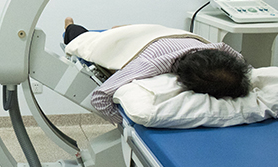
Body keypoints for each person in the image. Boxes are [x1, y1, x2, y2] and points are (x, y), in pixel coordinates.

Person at [63, 17, 252, 124]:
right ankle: (70, 25)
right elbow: (99, 97)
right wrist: (125, 123)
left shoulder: (219, 48)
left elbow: (243, 63)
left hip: (157, 33)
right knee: (81, 39)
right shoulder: (152, 64)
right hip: (149, 40)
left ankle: (120, 29)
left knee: (123, 32)